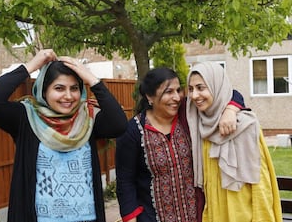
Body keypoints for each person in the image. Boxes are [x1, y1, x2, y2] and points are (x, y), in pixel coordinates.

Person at [0, 49, 127, 222]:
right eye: (59, 88)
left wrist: (92, 79)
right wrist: (32, 65)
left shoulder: (87, 119)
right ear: (43, 90)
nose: (68, 96)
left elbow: (119, 125)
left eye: (74, 88)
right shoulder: (26, 118)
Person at [115, 67, 245, 222]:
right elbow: (125, 180)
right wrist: (131, 218)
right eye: (168, 92)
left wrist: (230, 110)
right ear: (150, 96)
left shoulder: (188, 115)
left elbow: (231, 94)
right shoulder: (133, 131)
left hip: (197, 216)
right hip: (152, 217)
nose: (177, 98)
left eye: (179, 90)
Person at [186, 62, 282, 222]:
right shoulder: (198, 123)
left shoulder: (245, 125)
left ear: (217, 87)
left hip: (244, 213)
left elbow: (260, 183)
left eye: (201, 88)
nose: (194, 95)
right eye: (191, 89)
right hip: (215, 212)